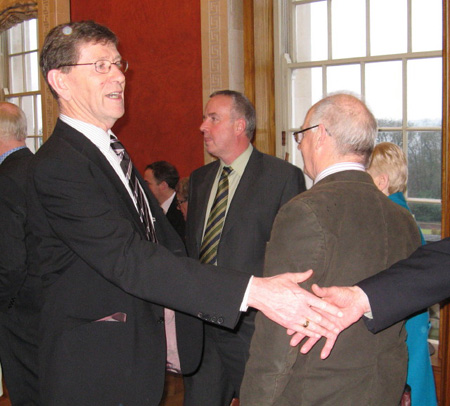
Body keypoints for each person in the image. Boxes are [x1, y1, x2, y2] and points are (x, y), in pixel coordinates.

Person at [30, 21, 339, 406]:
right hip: (93, 372)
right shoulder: (59, 165)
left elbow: (167, 247)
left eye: (117, 63)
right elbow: (131, 258)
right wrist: (253, 290)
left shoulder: (111, 153)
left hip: (137, 361)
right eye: (100, 66)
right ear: (60, 81)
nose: (118, 76)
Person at [240, 93, 421, 405]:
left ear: (320, 135)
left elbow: (277, 336)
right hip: (384, 391)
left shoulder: (305, 211)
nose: (300, 146)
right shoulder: (403, 219)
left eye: (301, 136)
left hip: (316, 394)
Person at [183, 90, 306, 406]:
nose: (202, 127)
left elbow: (289, 257)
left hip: (251, 331)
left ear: (240, 126)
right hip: (201, 330)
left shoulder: (282, 177)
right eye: (204, 118)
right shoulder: (199, 180)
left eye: (213, 118)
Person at [367, 142, 437, 405]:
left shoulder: (389, 221)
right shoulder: (405, 215)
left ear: (382, 181)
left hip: (402, 330)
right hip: (413, 326)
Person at [0, 102, 41, 405]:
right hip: (47, 307)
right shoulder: (41, 168)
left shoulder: (5, 180)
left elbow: (10, 263)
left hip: (18, 311)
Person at [144, 161, 185, 239]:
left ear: (163, 185)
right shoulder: (151, 209)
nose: (144, 188)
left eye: (147, 184)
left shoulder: (182, 210)